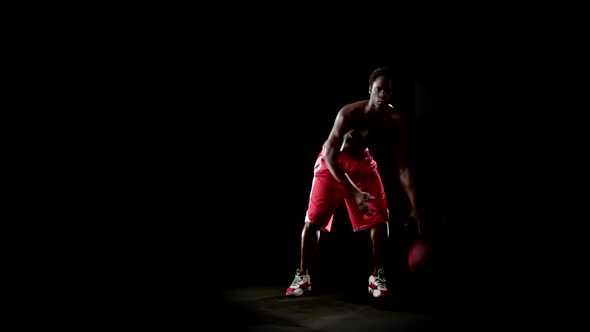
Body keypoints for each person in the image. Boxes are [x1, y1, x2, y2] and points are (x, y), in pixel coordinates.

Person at [285, 67, 423, 298]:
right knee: (314, 220)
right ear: (370, 90)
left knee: (381, 218)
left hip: (362, 164)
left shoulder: (393, 120)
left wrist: (415, 207)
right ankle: (303, 275)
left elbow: (404, 166)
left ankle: (375, 277)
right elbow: (330, 155)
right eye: (379, 90)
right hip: (333, 164)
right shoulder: (349, 114)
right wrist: (355, 192)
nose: (383, 95)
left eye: (387, 91)